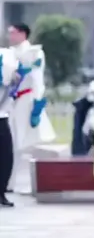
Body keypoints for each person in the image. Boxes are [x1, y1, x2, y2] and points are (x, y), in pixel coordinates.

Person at [6, 23, 55, 192]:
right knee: (13, 141)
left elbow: (37, 77)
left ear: (23, 34)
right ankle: (9, 182)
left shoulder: (34, 52)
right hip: (12, 100)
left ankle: (22, 183)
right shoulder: (9, 53)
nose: (10, 36)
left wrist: (37, 102)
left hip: (27, 98)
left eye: (13, 33)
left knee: (23, 141)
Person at [0, 47, 21, 207]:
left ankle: (1, 192)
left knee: (6, 156)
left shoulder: (6, 55)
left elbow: (14, 77)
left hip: (1, 115)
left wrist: (16, 78)